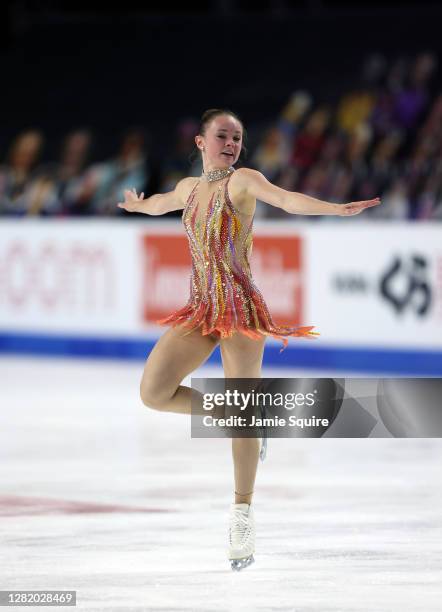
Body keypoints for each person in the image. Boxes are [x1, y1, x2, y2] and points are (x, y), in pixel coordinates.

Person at [117, 108, 381, 571]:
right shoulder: (189, 189)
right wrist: (139, 206)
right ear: (201, 142)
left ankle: (242, 512)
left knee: (242, 410)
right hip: (200, 308)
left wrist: (334, 209)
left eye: (237, 138)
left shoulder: (243, 182)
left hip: (240, 311)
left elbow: (286, 199)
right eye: (223, 136)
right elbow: (161, 202)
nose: (232, 144)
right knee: (153, 393)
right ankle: (247, 416)